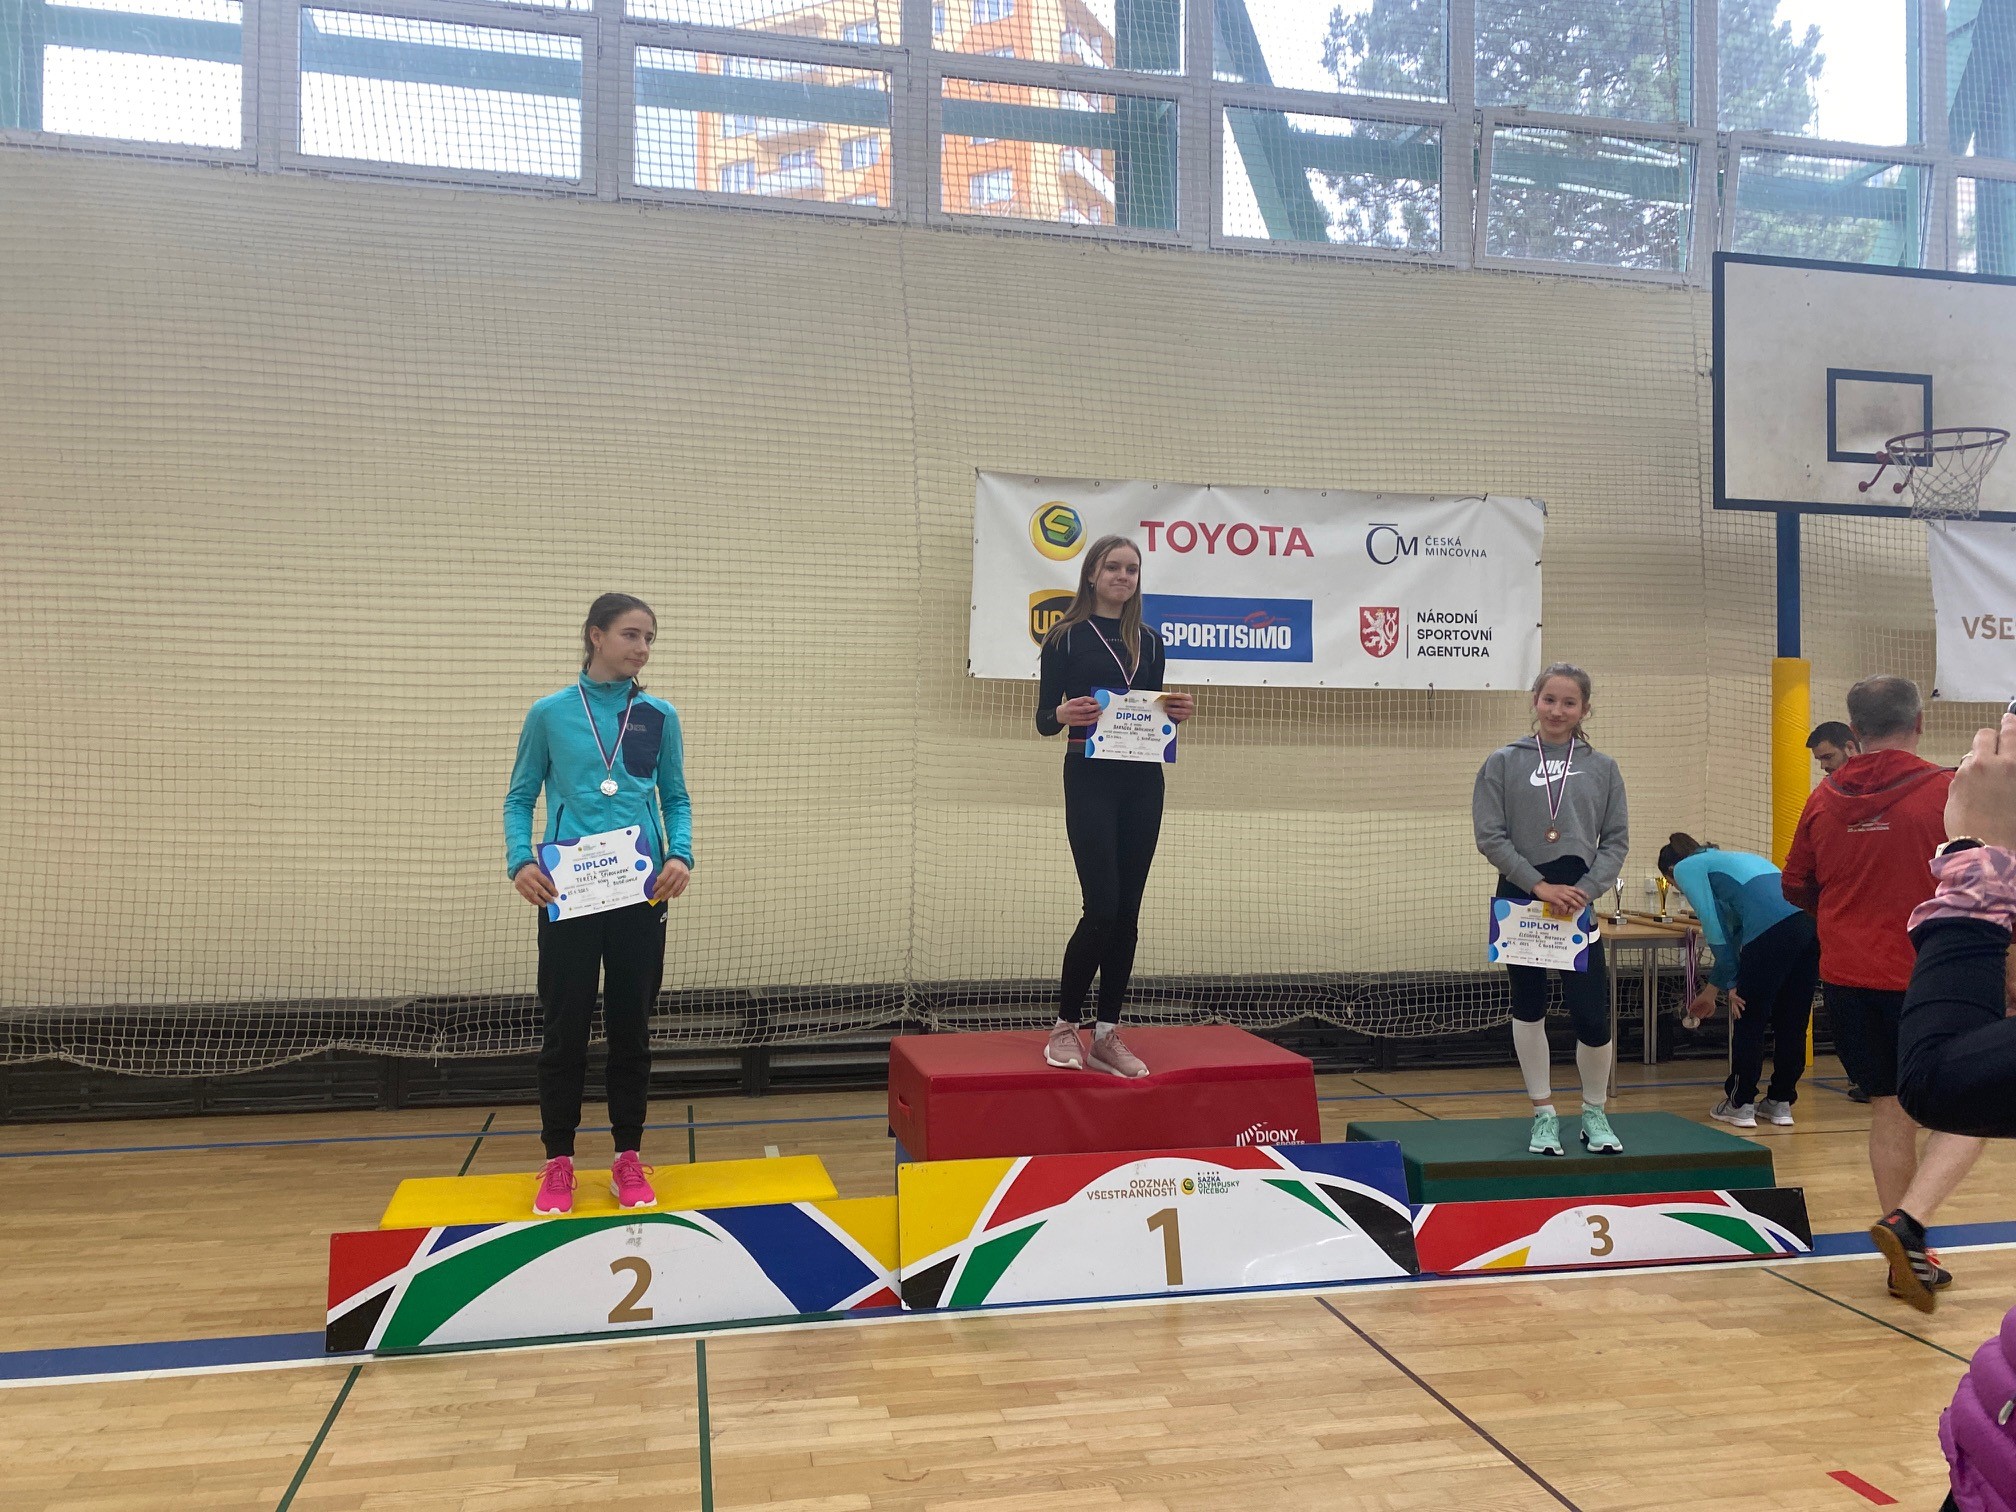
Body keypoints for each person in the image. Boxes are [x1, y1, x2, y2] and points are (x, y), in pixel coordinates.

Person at [1782, 674, 1983, 1308]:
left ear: (1853, 730)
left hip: (1848, 978)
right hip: (1932, 977)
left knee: (1890, 1112)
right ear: (1918, 722)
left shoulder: (1823, 799)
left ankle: (1907, 1261)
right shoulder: (1947, 791)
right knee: (1981, 1103)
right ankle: (1909, 1224)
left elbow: (1796, 885)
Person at [504, 593, 694, 1217]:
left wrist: (681, 855)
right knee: (564, 1029)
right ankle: (558, 1160)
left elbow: (675, 798)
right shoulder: (550, 713)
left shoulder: (658, 715)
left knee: (631, 1029)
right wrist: (521, 861)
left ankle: (627, 1156)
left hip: (641, 893)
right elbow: (519, 798)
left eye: (649, 638)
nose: (642, 648)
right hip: (569, 891)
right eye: (631, 635)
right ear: (596, 635)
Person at [1035, 534, 1193, 1078]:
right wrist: (1062, 713)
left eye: (1132, 569)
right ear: (1092, 574)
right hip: (1089, 780)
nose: (1123, 577)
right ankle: (1065, 1026)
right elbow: (1043, 719)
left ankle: (1106, 1034)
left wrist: (1175, 712)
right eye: (1113, 567)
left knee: (1127, 913)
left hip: (1143, 783)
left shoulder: (1149, 641)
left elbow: (1150, 711)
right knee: (1101, 907)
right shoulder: (1065, 637)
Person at [1473, 663, 1630, 1157]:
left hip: (1576, 903)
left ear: (1585, 709)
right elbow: (1490, 835)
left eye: (1569, 702)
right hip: (1522, 898)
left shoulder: (1603, 768)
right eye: (1549, 700)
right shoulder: (1503, 762)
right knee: (1528, 1006)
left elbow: (1616, 840)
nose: (1557, 710)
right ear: (1535, 701)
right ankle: (1543, 1113)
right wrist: (1538, 885)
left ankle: (1594, 1111)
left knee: (1592, 1015)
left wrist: (1584, 890)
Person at [1659, 834, 1819, 1128]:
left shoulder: (1685, 867)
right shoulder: (1733, 861)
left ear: (1670, 873)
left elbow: (1713, 927)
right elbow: (1734, 935)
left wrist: (1734, 983)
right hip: (1808, 927)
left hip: (1771, 933)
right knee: (1792, 1020)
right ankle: (1780, 1102)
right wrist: (1712, 991)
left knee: (1749, 1017)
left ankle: (1740, 1103)